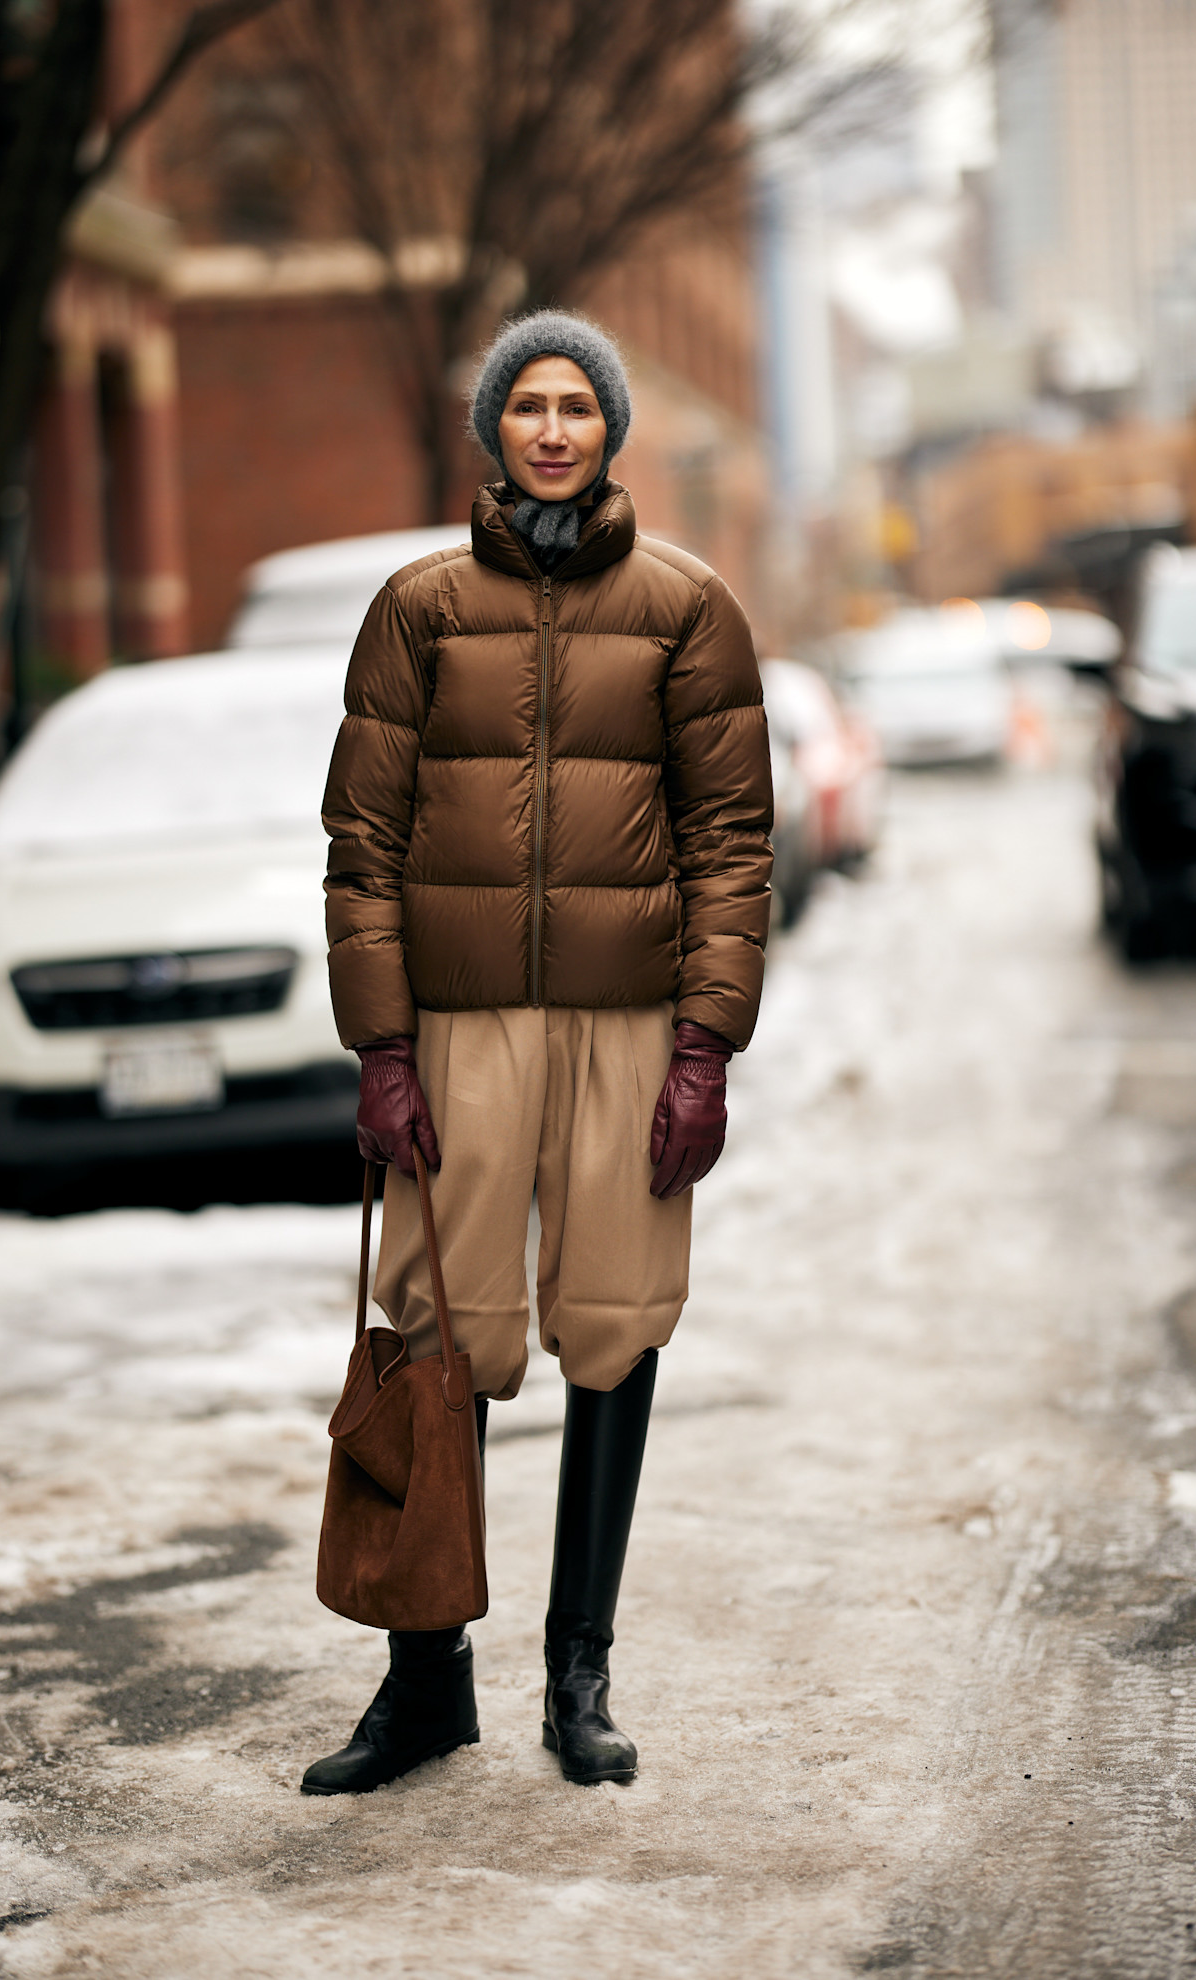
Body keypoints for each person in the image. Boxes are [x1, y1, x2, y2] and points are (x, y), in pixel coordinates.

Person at [302, 310, 772, 1795]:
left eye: (578, 405)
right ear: (493, 430)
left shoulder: (688, 608)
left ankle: (581, 1678)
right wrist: (382, 1045)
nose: (554, 428)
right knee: (440, 1324)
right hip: (459, 1023)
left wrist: (702, 1049)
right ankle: (424, 1680)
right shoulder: (420, 607)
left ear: (611, 429)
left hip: (627, 1019)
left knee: (615, 1312)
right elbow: (360, 840)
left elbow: (731, 844)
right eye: (529, 405)